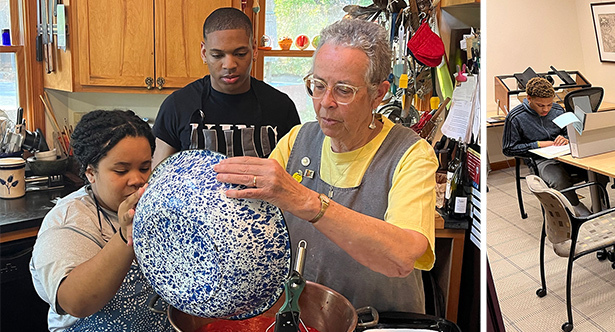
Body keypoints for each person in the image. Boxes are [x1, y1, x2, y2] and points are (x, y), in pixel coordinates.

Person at [211, 19, 437, 313]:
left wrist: (307, 201)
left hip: (379, 321)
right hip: (307, 319)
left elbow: (403, 256)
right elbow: (244, 222)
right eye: (318, 85)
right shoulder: (297, 141)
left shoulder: (410, 154)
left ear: (378, 94)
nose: (325, 102)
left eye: (343, 90)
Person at [30, 110, 165, 331]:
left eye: (144, 167)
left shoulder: (158, 206)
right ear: (91, 173)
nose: (138, 180)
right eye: (121, 170)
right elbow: (76, 302)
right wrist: (125, 236)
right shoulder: (69, 219)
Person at [152, 7, 300, 166]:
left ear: (254, 49)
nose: (229, 65)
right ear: (204, 53)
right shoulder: (177, 106)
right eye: (217, 55)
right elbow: (158, 177)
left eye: (240, 54)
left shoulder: (281, 107)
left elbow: (296, 173)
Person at [501, 77, 605, 214]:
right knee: (559, 179)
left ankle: (600, 205)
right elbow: (508, 149)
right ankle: (577, 209)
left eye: (549, 104)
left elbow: (571, 132)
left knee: (599, 171)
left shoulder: (557, 109)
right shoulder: (515, 117)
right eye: (541, 105)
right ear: (529, 98)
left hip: (567, 155)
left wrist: (566, 138)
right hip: (541, 160)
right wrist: (537, 144)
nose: (546, 109)